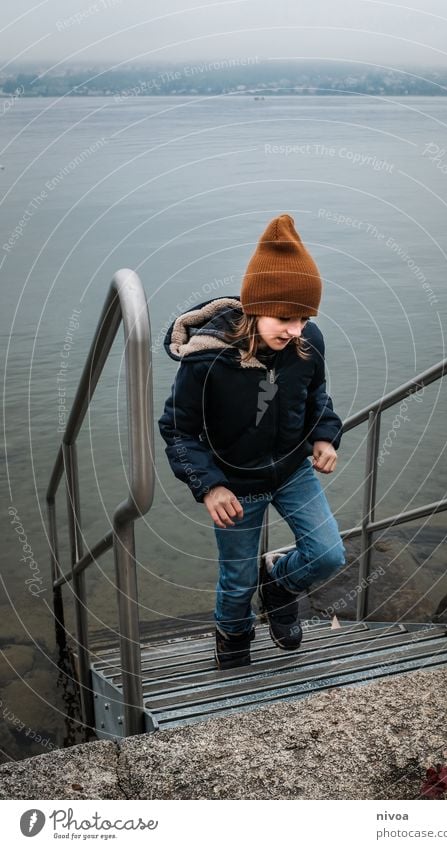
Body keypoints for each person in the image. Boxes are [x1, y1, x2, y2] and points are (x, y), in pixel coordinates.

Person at [158, 214, 346, 669]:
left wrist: (324, 435)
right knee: (237, 579)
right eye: (285, 318)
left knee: (328, 555)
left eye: (304, 318)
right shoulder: (207, 364)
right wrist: (210, 485)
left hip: (292, 470)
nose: (296, 330)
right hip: (236, 483)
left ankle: (280, 584)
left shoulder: (306, 342)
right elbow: (178, 429)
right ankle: (233, 633)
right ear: (255, 307)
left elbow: (315, 393)